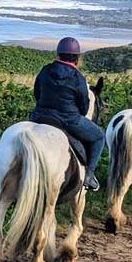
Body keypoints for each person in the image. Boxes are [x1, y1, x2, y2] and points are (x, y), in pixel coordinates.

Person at [30, 37, 104, 191]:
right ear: (76, 58)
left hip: (40, 116)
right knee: (99, 136)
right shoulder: (79, 78)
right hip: (68, 119)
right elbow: (84, 107)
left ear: (58, 54)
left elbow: (37, 93)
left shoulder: (45, 70)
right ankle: (89, 176)